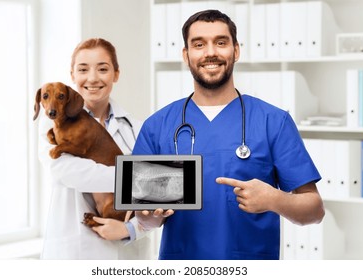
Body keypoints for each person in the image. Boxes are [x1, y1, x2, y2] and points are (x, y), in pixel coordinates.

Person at [133, 10, 325, 260]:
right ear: (186, 55)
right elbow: (144, 219)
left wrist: (274, 199)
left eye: (220, 42)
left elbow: (315, 209)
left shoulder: (273, 122)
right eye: (199, 44)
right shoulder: (157, 126)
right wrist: (151, 217)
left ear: (236, 50)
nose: (210, 52)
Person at [38, 38, 152, 259]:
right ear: (72, 75)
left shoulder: (137, 129)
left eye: (103, 69)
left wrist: (130, 229)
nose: (92, 78)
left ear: (116, 74)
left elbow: (155, 200)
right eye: (83, 69)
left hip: (127, 256)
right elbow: (75, 173)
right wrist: (139, 174)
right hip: (75, 253)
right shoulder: (52, 125)